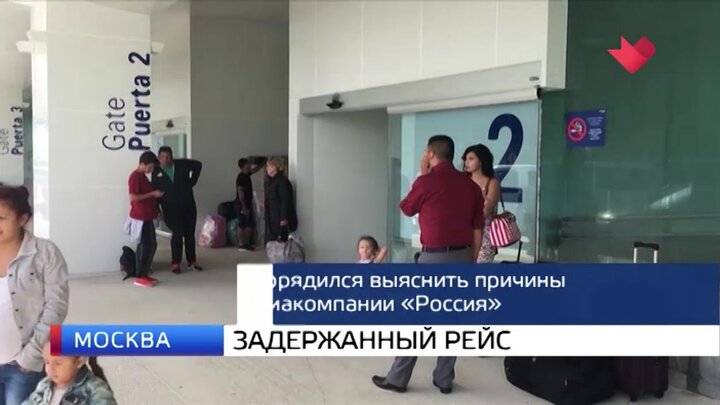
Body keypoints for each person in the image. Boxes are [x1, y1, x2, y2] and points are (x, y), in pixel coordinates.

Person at [372, 135, 485, 395]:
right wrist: (472, 260)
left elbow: (406, 208)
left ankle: (398, 378)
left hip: (434, 259)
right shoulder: (470, 187)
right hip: (463, 257)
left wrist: (423, 174)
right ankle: (444, 378)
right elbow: (477, 228)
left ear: (431, 154)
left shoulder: (427, 181)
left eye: (425, 152)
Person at [0, 186, 69, 404]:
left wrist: (30, 357)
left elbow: (56, 306)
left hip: (22, 367)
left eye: (1, 218)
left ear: (23, 219)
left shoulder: (45, 253)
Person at [152, 146, 204, 274]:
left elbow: (198, 165)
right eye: (163, 157)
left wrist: (192, 182)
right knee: (177, 235)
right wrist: (157, 210)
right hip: (170, 208)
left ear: (172, 157)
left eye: (168, 156)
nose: (166, 159)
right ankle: (176, 263)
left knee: (190, 234)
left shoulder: (181, 164)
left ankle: (192, 261)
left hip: (188, 205)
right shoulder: (156, 171)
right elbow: (154, 191)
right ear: (159, 158)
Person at [23, 342, 116, 405]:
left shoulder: (95, 389)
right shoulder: (44, 385)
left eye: (58, 363)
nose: (50, 369)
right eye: (47, 362)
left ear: (80, 361)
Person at [129, 151, 163, 288]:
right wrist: (152, 194)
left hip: (148, 216)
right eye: (150, 167)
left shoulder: (143, 176)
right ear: (142, 164)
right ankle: (140, 276)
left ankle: (144, 273)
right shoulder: (135, 177)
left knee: (150, 245)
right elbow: (133, 197)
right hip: (141, 217)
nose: (151, 170)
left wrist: (156, 211)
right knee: (146, 245)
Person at [462, 144, 501, 263]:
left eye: (471, 158)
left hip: (485, 235)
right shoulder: (463, 181)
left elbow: (486, 211)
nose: (467, 162)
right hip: (464, 233)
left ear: (481, 161)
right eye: (465, 159)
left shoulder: (492, 183)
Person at [264, 157, 298, 244]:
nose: (266, 168)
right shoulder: (271, 181)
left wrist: (284, 218)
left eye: (268, 166)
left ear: (274, 167)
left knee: (281, 242)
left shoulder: (282, 181)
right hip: (272, 216)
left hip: (279, 217)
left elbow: (285, 200)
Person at [235, 158, 256, 251]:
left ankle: (246, 243)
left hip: (247, 203)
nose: (250, 165)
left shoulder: (247, 174)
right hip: (241, 204)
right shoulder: (241, 177)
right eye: (248, 164)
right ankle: (241, 244)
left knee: (249, 224)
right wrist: (243, 206)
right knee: (242, 224)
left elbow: (255, 170)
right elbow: (240, 192)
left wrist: (264, 163)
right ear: (244, 166)